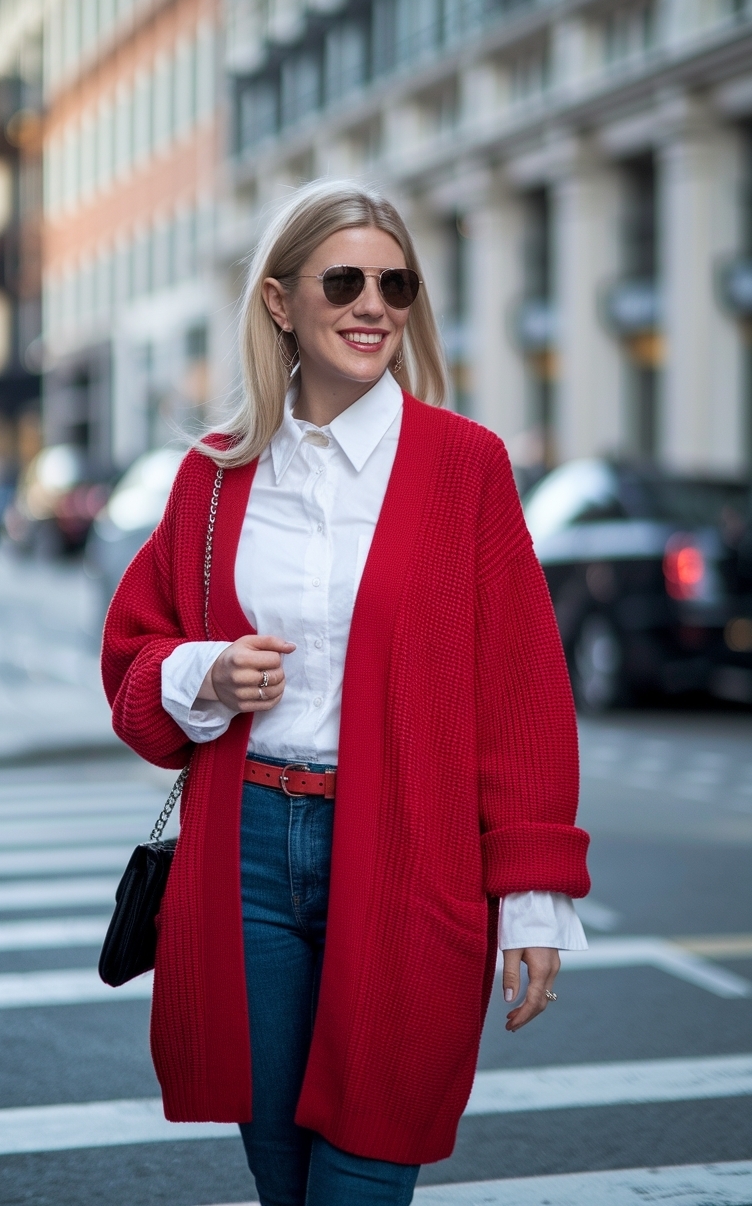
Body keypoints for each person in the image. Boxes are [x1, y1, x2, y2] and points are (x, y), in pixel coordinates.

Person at [102, 181, 590, 1206]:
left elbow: (522, 695)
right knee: (281, 1177)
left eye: (394, 283)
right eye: (343, 280)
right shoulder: (215, 476)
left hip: (411, 856)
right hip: (243, 859)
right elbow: (135, 660)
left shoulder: (466, 467)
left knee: (366, 1173)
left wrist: (534, 897)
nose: (373, 305)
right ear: (281, 301)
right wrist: (206, 671)